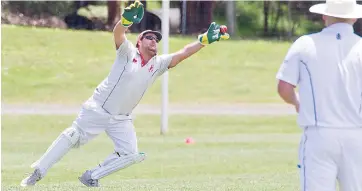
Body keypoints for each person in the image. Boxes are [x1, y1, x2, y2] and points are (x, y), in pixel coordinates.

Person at [20, 0, 230, 187]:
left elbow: (182, 53)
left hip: (121, 118)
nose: (153, 41)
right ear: (139, 43)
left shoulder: (157, 64)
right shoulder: (127, 53)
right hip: (98, 109)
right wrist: (126, 20)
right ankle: (37, 172)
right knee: (72, 136)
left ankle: (91, 176)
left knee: (131, 154)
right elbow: (118, 33)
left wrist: (203, 40)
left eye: (155, 39)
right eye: (148, 38)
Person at [276, 0, 362, 190]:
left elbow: (284, 87)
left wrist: (297, 102)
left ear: (324, 15)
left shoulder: (305, 44)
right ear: (354, 17)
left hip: (319, 134)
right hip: (357, 135)